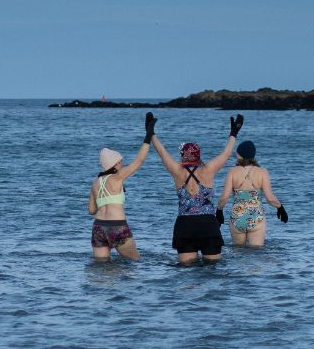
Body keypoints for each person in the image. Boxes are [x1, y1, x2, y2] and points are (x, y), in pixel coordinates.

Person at [151, 113, 243, 264]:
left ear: (183, 156)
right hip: (208, 224)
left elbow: (162, 152)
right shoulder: (208, 169)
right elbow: (226, 154)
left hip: (184, 226)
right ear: (198, 155)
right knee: (212, 269)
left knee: (186, 274)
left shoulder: (177, 171)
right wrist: (234, 133)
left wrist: (151, 133)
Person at [88, 116, 154, 261]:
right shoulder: (117, 177)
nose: (123, 165)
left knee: (102, 270)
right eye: (121, 162)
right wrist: (148, 135)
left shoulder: (95, 183)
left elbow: (91, 211)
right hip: (116, 227)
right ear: (115, 164)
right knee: (136, 262)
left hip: (98, 228)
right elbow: (139, 160)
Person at [221, 139, 287, 248]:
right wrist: (280, 208)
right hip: (256, 217)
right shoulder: (262, 172)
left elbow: (224, 197)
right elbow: (270, 198)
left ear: (240, 154)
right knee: (257, 254)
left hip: (237, 217)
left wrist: (219, 211)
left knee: (238, 253)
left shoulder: (232, 172)